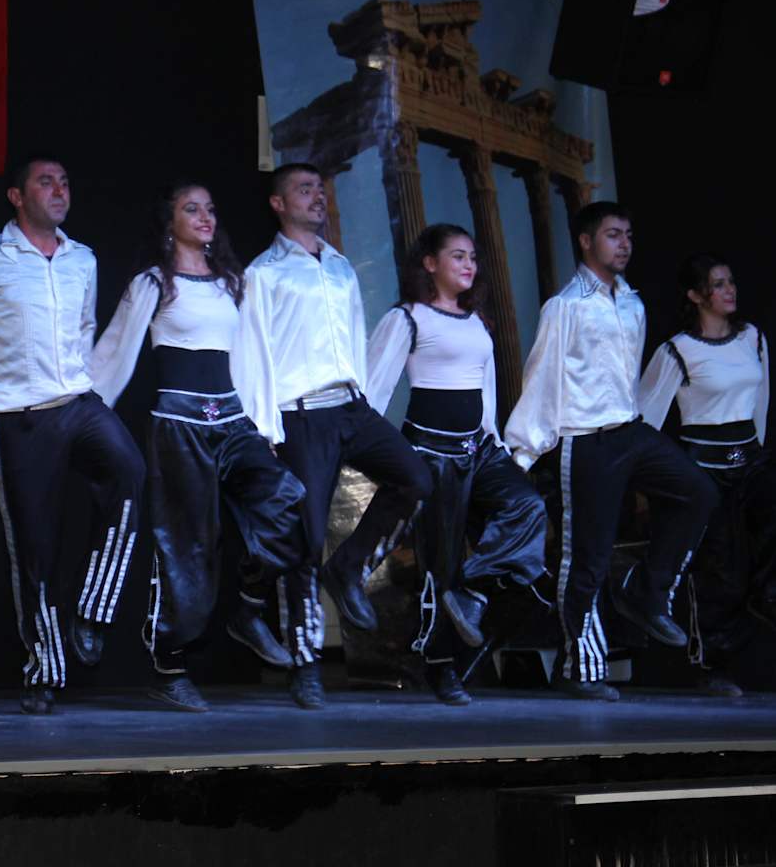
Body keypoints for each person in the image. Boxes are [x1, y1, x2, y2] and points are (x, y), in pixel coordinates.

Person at [0, 155, 146, 714]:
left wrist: (92, 391)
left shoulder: (82, 259)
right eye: (46, 182)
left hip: (78, 401)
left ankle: (92, 611)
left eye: (65, 182)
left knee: (130, 471)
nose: (59, 190)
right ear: (17, 197)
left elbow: (85, 329)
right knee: (35, 548)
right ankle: (44, 668)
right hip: (19, 416)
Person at [88, 182, 304, 711]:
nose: (205, 217)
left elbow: (252, 356)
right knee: (186, 549)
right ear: (170, 223)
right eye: (192, 209)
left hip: (232, 421)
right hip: (179, 427)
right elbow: (114, 351)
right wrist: (83, 414)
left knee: (285, 502)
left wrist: (265, 429)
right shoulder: (153, 282)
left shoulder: (233, 282)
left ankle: (247, 610)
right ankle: (169, 668)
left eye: (210, 209)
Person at [329, 224, 550, 705]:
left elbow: (484, 385)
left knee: (528, 507)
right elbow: (373, 390)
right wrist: (370, 451)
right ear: (430, 264)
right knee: (440, 568)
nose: (469, 264)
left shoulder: (476, 321)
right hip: (431, 453)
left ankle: (473, 593)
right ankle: (442, 668)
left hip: (480, 449)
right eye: (457, 256)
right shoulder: (407, 318)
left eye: (472, 256)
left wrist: (494, 439)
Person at [504, 201, 717, 700]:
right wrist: (522, 454)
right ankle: (580, 668)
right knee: (587, 557)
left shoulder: (632, 304)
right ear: (586, 241)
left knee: (699, 492)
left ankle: (646, 592)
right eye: (613, 235)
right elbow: (542, 377)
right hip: (584, 438)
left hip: (630, 428)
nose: (624, 244)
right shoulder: (566, 306)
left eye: (628, 235)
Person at [240, 163, 433, 709]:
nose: (317, 197)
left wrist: (363, 401)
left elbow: (352, 336)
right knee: (302, 541)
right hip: (299, 415)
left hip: (350, 405)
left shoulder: (341, 267)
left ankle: (348, 567)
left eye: (319, 190)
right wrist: (265, 430)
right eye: (304, 190)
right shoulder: (264, 273)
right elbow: (252, 353)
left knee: (415, 480)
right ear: (278, 203)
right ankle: (305, 666)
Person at [637, 253, 772, 697]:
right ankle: (713, 665)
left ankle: (764, 610)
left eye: (730, 281)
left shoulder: (752, 338)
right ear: (696, 295)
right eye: (718, 284)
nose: (729, 290)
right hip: (704, 470)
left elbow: (760, 404)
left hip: (749, 461)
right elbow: (645, 419)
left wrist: (756, 454)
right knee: (718, 570)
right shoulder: (677, 351)